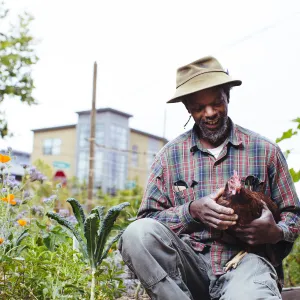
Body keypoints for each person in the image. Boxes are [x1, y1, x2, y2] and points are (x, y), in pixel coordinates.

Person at [118, 56, 300, 300]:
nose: (210, 113)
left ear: (228, 97)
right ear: (187, 108)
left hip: (245, 262)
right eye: (199, 107)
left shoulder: (265, 151)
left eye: (217, 103)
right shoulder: (168, 158)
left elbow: (293, 214)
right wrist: (191, 211)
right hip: (188, 265)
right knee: (136, 233)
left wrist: (275, 232)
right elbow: (148, 220)